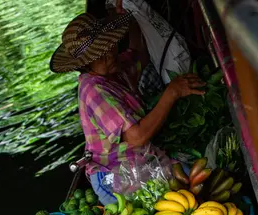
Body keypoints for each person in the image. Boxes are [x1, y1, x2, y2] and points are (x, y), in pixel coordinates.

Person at [50, 10, 204, 204]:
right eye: (100, 54)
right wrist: (172, 93)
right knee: (189, 198)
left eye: (109, 46)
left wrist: (129, 17)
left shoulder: (113, 69)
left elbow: (139, 52)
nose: (110, 54)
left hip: (140, 162)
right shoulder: (94, 90)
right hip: (117, 178)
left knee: (198, 179)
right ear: (85, 64)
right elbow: (136, 137)